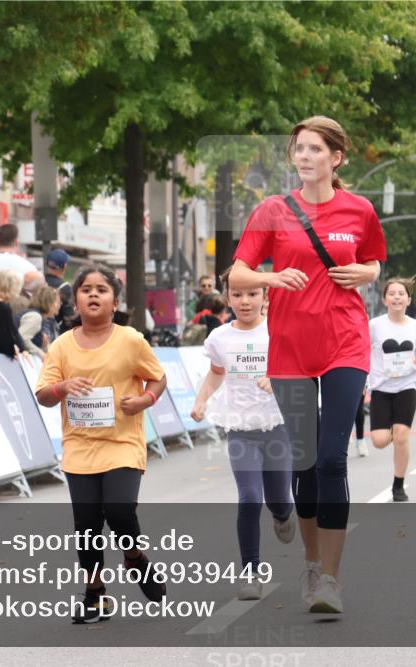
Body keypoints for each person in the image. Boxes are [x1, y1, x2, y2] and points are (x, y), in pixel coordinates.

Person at [228, 115, 386, 614]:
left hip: (345, 341)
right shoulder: (273, 211)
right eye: (298, 148)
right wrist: (273, 282)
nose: (304, 156)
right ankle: (313, 563)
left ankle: (331, 582)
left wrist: (368, 270)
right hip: (291, 349)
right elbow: (239, 270)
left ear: (336, 158)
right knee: (305, 462)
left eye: (315, 149)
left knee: (332, 458)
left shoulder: (359, 210)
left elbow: (376, 259)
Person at [34, 265, 168, 624]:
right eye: (86, 289)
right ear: (75, 300)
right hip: (80, 446)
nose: (93, 294)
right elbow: (44, 395)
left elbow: (157, 378)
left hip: (122, 442)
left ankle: (135, 557)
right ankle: (95, 594)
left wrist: (144, 401)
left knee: (120, 511)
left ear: (115, 301)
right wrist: (62, 388)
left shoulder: (130, 340)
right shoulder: (61, 346)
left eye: (102, 289)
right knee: (87, 525)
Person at [190, 267, 296, 601]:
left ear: (266, 296)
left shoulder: (279, 331)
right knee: (250, 498)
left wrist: (277, 378)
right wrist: (202, 399)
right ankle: (251, 572)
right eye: (237, 294)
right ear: (228, 297)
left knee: (279, 498)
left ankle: (283, 514)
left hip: (277, 426)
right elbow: (216, 373)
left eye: (253, 294)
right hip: (241, 429)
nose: (245, 301)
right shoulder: (219, 338)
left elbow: (299, 372)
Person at [368, 277, 416, 502]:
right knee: (380, 440)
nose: (396, 297)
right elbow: (362, 352)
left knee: (402, 435)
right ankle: (394, 433)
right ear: (385, 299)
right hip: (381, 387)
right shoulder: (374, 326)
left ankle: (398, 485)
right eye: (392, 293)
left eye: (401, 293)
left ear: (408, 299)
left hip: (407, 384)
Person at [18, 285, 61, 361]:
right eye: (57, 302)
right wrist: (42, 355)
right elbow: (22, 338)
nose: (60, 305)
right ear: (49, 302)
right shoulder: (35, 317)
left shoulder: (40, 318)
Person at [44, 248, 76, 333]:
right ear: (64, 267)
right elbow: (69, 316)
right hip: (56, 333)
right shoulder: (65, 287)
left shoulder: (38, 281)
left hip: (38, 330)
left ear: (47, 264)